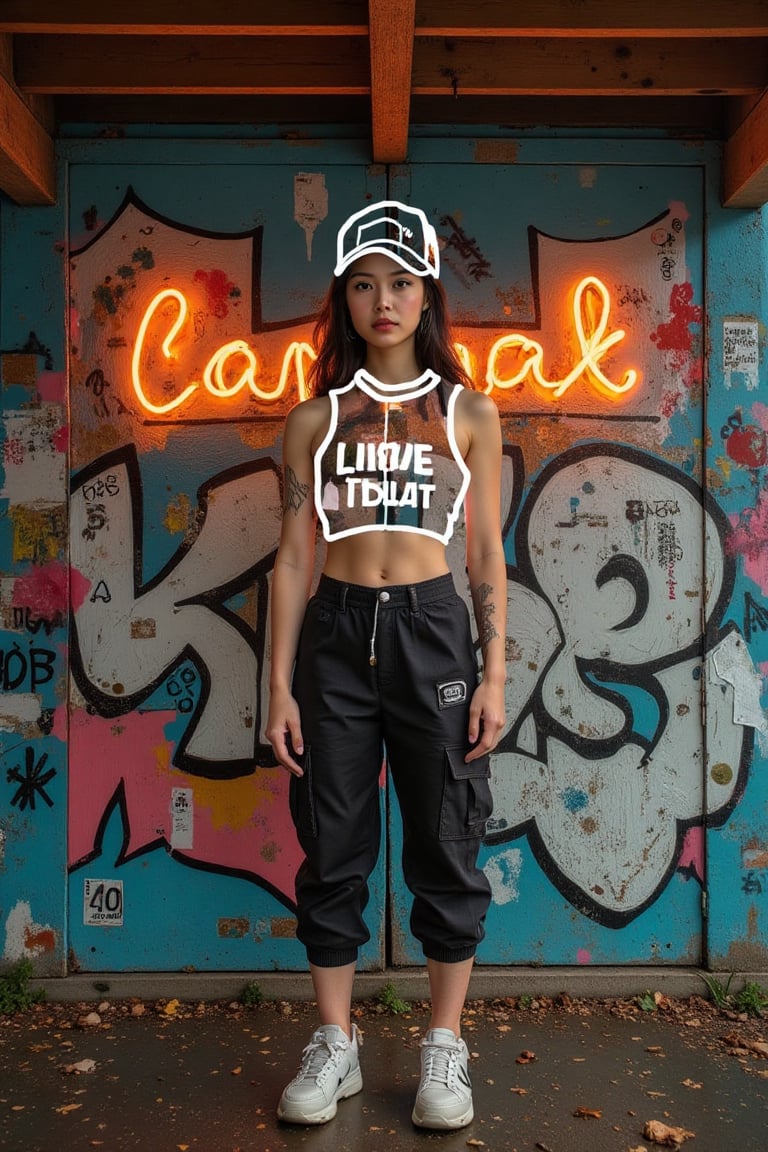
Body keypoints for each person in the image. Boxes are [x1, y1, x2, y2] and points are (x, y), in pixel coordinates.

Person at [266, 200, 506, 1130]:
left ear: (427, 295)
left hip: (435, 629)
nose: (383, 300)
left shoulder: (468, 413)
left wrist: (494, 676)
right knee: (332, 845)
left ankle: (443, 1045)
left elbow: (487, 555)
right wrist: (274, 685)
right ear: (344, 300)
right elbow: (290, 557)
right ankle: (337, 1044)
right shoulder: (314, 420)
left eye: (400, 282)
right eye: (363, 284)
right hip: (334, 631)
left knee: (447, 838)